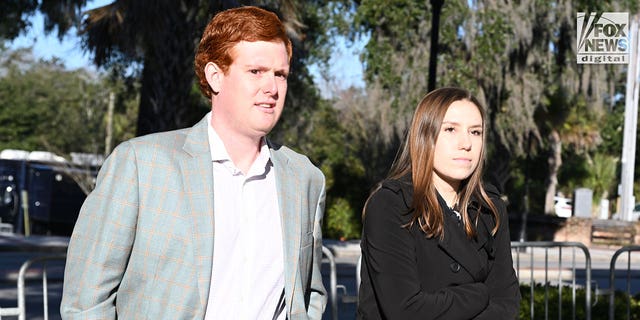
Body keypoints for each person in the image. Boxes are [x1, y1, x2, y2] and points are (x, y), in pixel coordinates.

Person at [61, 6, 327, 319]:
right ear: (216, 76)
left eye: (280, 74)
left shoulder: (305, 179)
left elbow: (309, 296)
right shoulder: (140, 165)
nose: (272, 88)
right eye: (256, 71)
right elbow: (86, 302)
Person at [357, 87, 521, 319]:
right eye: (451, 129)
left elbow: (507, 302)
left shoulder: (490, 209)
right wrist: (480, 294)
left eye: (475, 132)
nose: (466, 143)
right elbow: (405, 310)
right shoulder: (391, 205)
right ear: (425, 135)